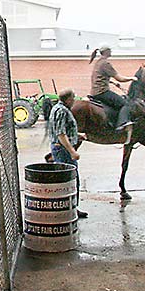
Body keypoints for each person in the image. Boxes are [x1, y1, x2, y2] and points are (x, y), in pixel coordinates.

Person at [48, 88, 89, 219]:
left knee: (69, 179)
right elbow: (60, 133)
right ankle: (69, 209)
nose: (74, 101)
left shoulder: (58, 108)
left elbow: (62, 130)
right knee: (70, 179)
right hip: (63, 150)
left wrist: (77, 136)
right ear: (69, 99)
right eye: (73, 98)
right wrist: (72, 151)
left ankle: (71, 207)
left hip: (61, 147)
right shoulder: (62, 111)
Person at [89, 44, 138, 144]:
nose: (111, 52)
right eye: (110, 50)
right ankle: (122, 124)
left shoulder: (98, 62)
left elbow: (99, 77)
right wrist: (132, 78)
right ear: (106, 52)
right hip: (102, 92)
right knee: (125, 103)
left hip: (95, 92)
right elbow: (120, 78)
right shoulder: (105, 63)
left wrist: (112, 82)